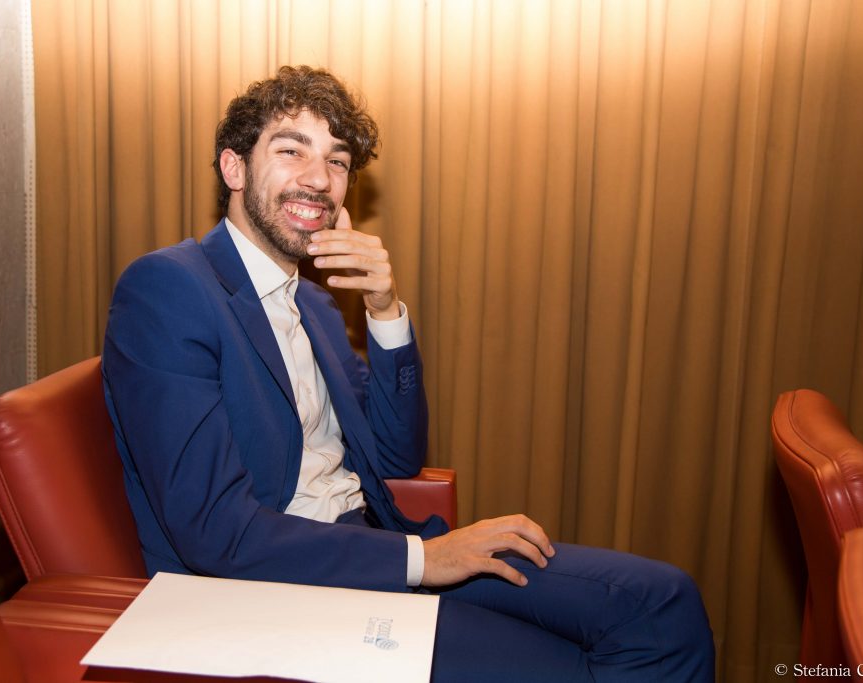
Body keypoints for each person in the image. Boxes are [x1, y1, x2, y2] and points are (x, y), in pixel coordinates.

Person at [102, 65, 714, 682]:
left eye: (337, 161)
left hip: (368, 544)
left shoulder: (314, 303)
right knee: (577, 667)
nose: (318, 178)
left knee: (660, 605)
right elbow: (214, 532)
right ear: (234, 169)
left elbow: (397, 454)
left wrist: (384, 309)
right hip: (268, 590)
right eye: (292, 151)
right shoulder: (171, 286)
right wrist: (425, 559)